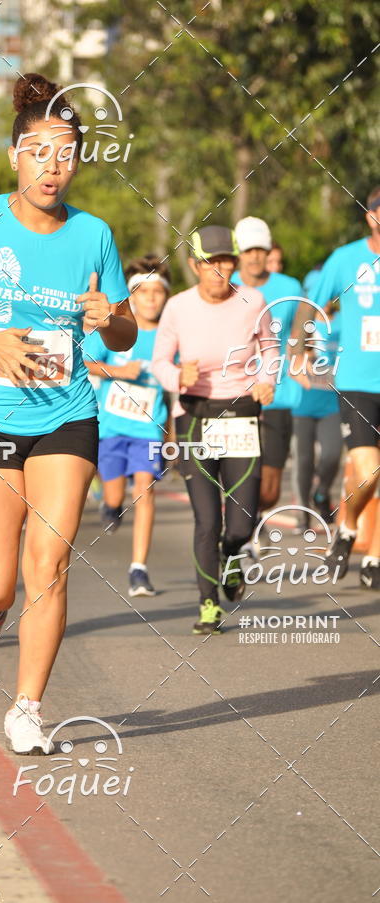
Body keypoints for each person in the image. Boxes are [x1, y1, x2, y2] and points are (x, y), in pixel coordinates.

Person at [0, 72, 136, 754]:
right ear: (15, 154)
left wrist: (113, 321)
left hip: (68, 416)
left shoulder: (95, 234)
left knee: (49, 562)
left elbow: (123, 330)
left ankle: (28, 706)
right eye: (40, 150)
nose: (54, 165)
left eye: (67, 151)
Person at [152, 226, 275, 635]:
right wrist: (178, 376)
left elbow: (271, 350)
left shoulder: (253, 300)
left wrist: (267, 379)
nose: (220, 269)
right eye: (211, 262)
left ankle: (231, 557)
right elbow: (159, 363)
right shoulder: (177, 307)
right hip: (196, 419)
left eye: (227, 261)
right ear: (194, 265)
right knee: (207, 520)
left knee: (241, 523)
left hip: (241, 414)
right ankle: (208, 605)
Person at [84, 254, 170, 596]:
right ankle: (109, 503)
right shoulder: (118, 329)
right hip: (113, 426)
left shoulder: (170, 333)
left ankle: (139, 569)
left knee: (145, 491)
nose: (150, 298)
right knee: (116, 492)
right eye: (142, 291)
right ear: (131, 297)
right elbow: (86, 361)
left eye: (157, 291)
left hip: (149, 428)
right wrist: (120, 372)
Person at [307, 185, 380, 585]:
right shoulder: (346, 259)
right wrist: (300, 345)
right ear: (369, 215)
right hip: (358, 382)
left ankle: (374, 558)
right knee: (368, 472)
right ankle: (348, 528)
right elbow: (312, 303)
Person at [232, 216, 303, 512]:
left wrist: (304, 355)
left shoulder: (291, 287)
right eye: (249, 251)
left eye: (261, 249)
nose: (255, 256)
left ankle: (247, 522)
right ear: (239, 254)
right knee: (238, 475)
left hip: (279, 394)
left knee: (270, 490)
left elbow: (300, 333)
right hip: (234, 392)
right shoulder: (226, 286)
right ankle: (240, 533)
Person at [291, 308, 342, 526]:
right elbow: (291, 354)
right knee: (303, 462)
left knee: (332, 454)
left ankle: (321, 492)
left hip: (332, 404)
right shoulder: (304, 322)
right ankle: (303, 514)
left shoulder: (342, 321)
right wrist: (303, 355)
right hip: (302, 405)